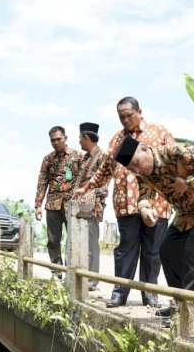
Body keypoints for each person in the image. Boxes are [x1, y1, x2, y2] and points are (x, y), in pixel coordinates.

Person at [113, 136, 194, 326]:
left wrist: (188, 183)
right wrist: (145, 209)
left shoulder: (174, 152)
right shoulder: (144, 174)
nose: (137, 169)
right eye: (132, 168)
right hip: (186, 212)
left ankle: (187, 314)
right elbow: (144, 195)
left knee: (193, 258)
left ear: (145, 150)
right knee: (167, 251)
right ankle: (179, 303)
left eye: (136, 163)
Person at [74, 97, 173, 309]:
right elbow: (106, 168)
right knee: (126, 249)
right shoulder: (118, 139)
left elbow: (172, 165)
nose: (126, 120)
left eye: (129, 115)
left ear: (140, 112)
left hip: (156, 203)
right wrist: (87, 187)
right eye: (121, 117)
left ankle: (150, 294)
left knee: (152, 250)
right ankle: (120, 293)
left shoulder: (159, 133)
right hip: (126, 203)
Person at [34, 126, 82, 278]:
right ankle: (57, 272)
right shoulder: (48, 159)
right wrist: (38, 205)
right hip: (53, 204)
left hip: (72, 205)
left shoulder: (78, 156)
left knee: (73, 240)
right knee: (53, 240)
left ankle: (71, 273)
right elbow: (42, 182)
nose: (55, 143)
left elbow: (85, 180)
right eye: (52, 140)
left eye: (58, 139)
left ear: (65, 138)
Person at [73, 122, 108, 291]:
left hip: (94, 206)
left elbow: (104, 185)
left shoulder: (102, 157)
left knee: (91, 243)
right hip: (80, 207)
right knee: (80, 242)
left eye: (80, 138)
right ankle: (81, 276)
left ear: (86, 137)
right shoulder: (85, 157)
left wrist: (97, 203)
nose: (78, 141)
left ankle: (92, 280)